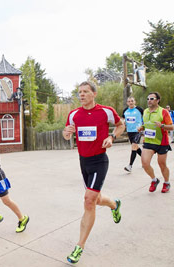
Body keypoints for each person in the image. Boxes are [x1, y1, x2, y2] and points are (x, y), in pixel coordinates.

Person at [63, 81, 125, 264]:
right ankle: (114, 204)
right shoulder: (74, 115)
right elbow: (67, 135)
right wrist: (66, 132)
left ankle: (79, 246)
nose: (81, 95)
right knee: (96, 199)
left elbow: (120, 125)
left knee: (89, 201)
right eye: (79, 92)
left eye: (85, 92)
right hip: (83, 162)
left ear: (93, 94)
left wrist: (112, 136)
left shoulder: (106, 111)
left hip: (99, 161)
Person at [138, 92, 174, 193]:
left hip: (162, 142)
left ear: (157, 100)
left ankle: (166, 183)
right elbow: (145, 124)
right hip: (149, 141)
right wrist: (141, 128)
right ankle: (154, 180)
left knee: (162, 164)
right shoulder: (145, 112)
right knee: (145, 163)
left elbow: (171, 127)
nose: (149, 100)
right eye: (148, 98)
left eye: (152, 98)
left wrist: (162, 126)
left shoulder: (163, 112)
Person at [122, 96, 143, 172]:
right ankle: (145, 159)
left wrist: (143, 127)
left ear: (135, 102)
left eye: (132, 101)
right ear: (127, 103)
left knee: (134, 146)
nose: (130, 102)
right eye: (129, 101)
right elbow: (123, 120)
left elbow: (146, 116)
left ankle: (130, 166)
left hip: (137, 131)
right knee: (136, 148)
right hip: (129, 131)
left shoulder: (139, 109)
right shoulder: (125, 110)